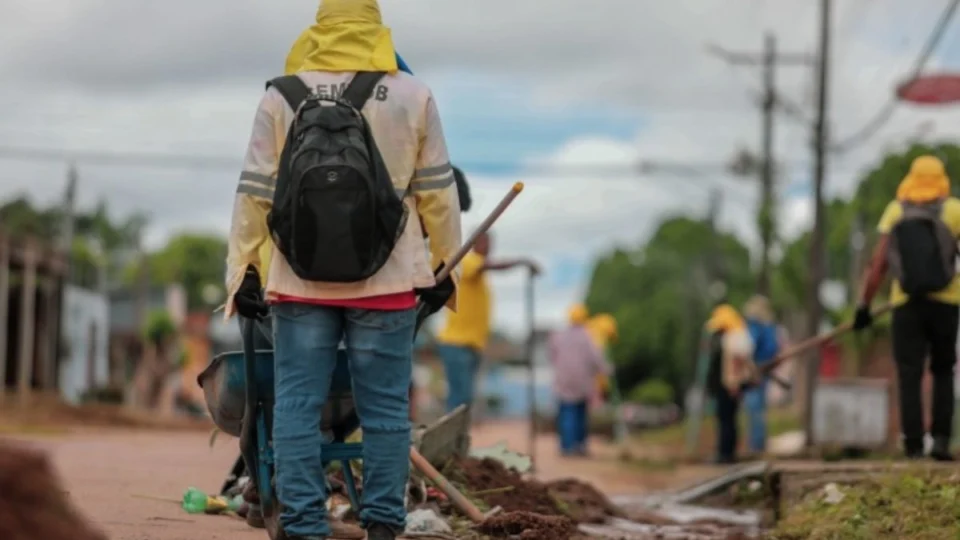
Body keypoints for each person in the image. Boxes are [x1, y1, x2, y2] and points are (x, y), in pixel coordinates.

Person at [225, 1, 462, 539]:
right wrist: (445, 266)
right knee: (385, 411)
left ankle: (304, 526)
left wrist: (244, 270)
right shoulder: (413, 94)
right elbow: (437, 192)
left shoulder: (281, 95)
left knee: (296, 406)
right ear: (376, 25)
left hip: (298, 281)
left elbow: (255, 190)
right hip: (390, 280)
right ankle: (382, 526)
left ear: (320, 25)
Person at [853, 155, 960, 461]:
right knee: (943, 370)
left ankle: (913, 445)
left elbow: (878, 264)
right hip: (946, 302)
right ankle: (940, 441)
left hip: (905, 304)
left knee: (909, 373)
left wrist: (864, 305)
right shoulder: (954, 210)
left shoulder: (896, 210)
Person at [434, 231, 539, 415]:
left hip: (471, 344)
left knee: (465, 398)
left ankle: (459, 432)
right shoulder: (467, 261)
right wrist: (521, 262)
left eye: (490, 243)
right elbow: (488, 266)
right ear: (474, 243)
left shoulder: (480, 275)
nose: (489, 247)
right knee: (460, 397)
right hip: (457, 342)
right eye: (484, 242)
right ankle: (452, 432)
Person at [549, 305, 611, 456]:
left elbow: (552, 355)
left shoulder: (558, 336)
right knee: (579, 413)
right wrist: (606, 370)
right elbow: (596, 357)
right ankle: (579, 446)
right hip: (582, 381)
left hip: (563, 379)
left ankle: (566, 446)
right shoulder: (587, 336)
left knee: (566, 412)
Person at [704, 304, 756, 464]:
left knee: (726, 419)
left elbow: (737, 362)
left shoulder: (734, 337)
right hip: (730, 384)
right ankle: (727, 452)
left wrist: (733, 384)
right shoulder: (739, 335)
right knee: (728, 419)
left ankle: (725, 453)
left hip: (730, 384)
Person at [742, 295, 780, 455]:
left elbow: (748, 345)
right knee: (759, 406)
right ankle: (759, 442)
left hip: (756, 368)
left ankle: (756, 445)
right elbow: (774, 348)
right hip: (766, 367)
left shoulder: (756, 325)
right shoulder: (769, 326)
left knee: (754, 406)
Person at [585, 313, 618, 409]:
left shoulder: (589, 324)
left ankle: (595, 406)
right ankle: (597, 406)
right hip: (597, 360)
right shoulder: (607, 323)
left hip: (587, 363)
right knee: (598, 385)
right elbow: (613, 337)